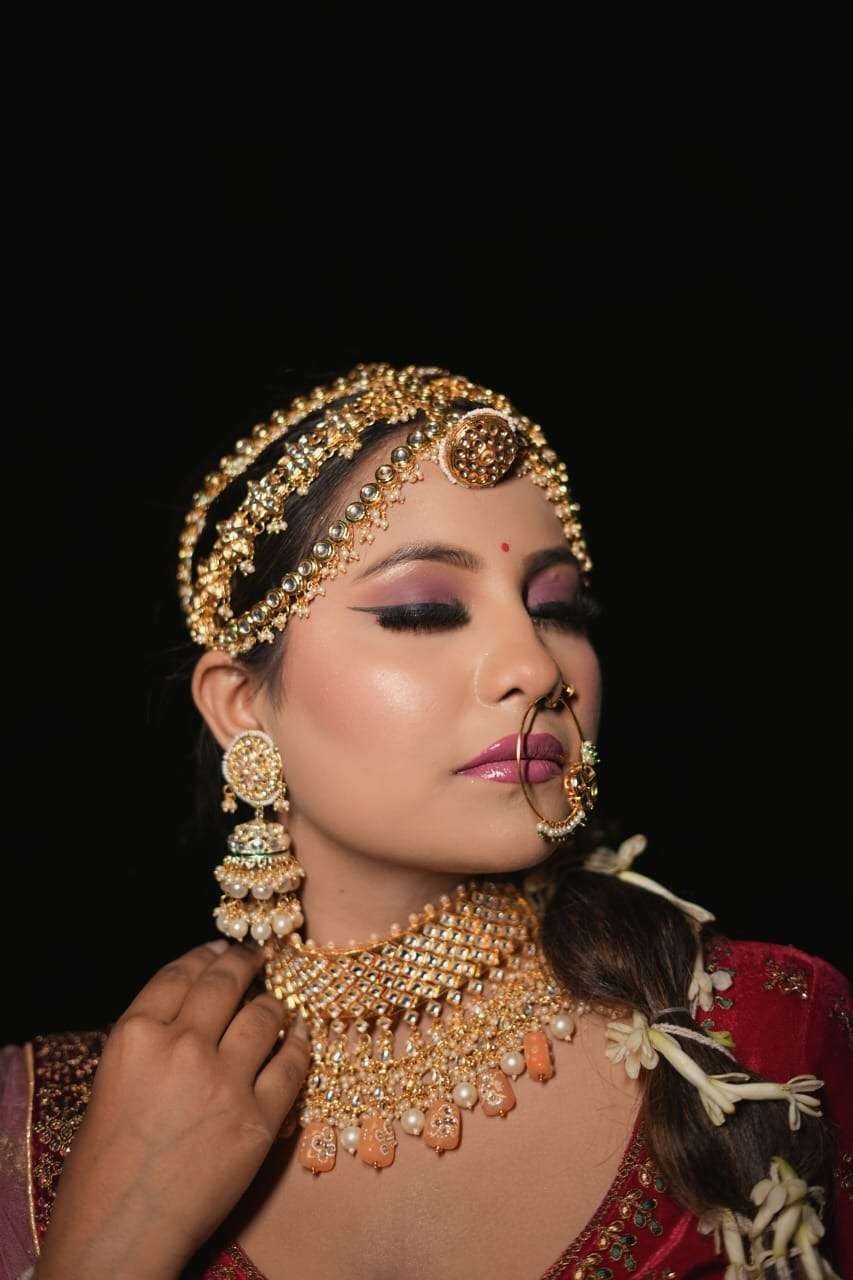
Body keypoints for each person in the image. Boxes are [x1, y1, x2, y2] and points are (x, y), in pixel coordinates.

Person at [1, 362, 850, 1280]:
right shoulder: (41, 1124)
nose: (534, 666)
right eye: (424, 612)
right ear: (242, 706)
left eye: (557, 609)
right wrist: (113, 1243)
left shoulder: (759, 1038)